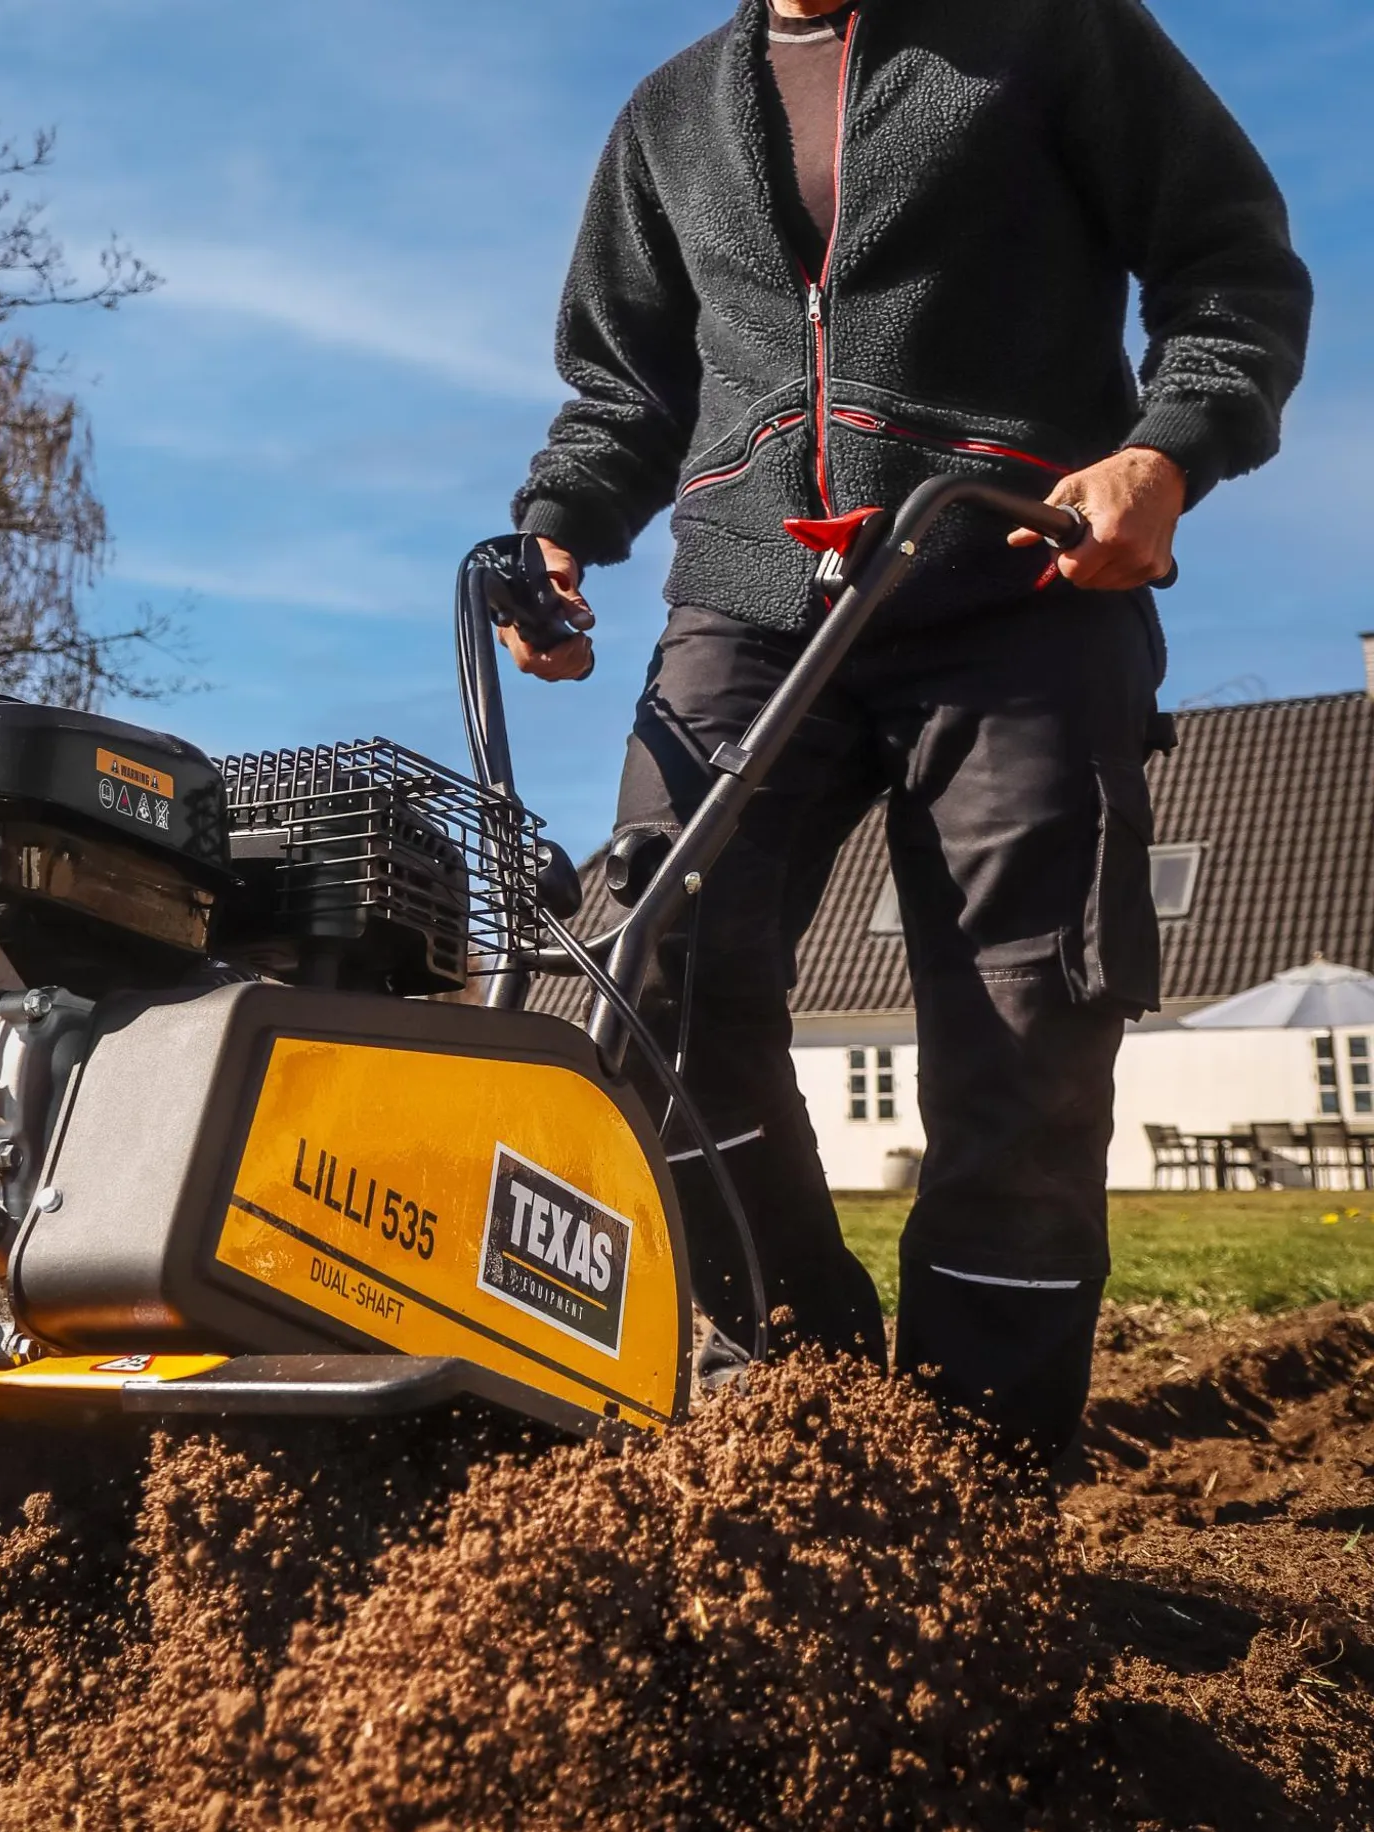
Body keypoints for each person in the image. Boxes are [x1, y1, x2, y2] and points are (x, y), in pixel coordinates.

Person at [504, 0, 1311, 1460]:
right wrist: (558, 527)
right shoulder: (671, 115)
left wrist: (1167, 451)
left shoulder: (1048, 32)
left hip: (1018, 572)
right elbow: (624, 385)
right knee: (653, 965)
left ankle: (977, 1472)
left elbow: (1232, 263)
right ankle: (800, 1392)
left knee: (1022, 1016)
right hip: (752, 598)